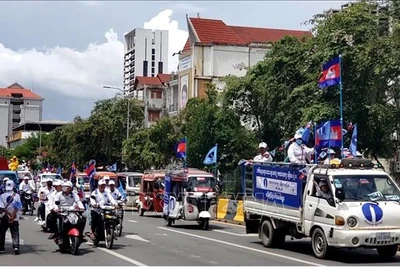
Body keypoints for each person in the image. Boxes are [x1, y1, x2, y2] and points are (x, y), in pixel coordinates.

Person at [0, 180, 22, 255]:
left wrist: (9, 214)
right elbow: (18, 206)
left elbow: (2, 207)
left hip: (5, 217)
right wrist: (13, 215)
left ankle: (1, 247)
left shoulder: (2, 196)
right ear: (13, 186)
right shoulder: (17, 196)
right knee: (15, 232)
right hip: (15, 217)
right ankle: (16, 247)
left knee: (2, 233)